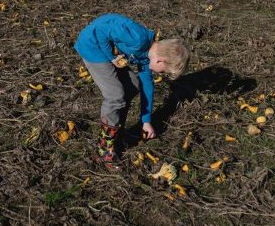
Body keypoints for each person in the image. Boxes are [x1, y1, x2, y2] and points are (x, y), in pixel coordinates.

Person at [74, 13, 190, 168]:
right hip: (92, 46)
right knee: (115, 95)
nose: (159, 74)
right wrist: (111, 57)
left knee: (133, 85)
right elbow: (103, 28)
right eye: (162, 71)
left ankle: (117, 132)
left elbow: (147, 87)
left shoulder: (146, 56)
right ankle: (104, 148)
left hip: (104, 49)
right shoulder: (138, 40)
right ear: (160, 60)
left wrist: (146, 121)